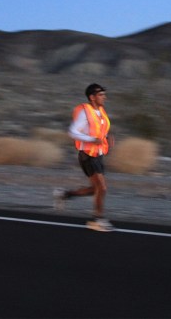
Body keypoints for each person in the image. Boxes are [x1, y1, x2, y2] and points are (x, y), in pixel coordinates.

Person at [54, 83, 114, 232]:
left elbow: (98, 130)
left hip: (98, 154)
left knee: (95, 189)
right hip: (87, 155)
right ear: (92, 97)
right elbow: (73, 132)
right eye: (101, 94)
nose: (104, 97)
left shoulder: (100, 111)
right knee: (102, 188)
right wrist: (92, 140)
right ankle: (97, 220)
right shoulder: (85, 112)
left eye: (104, 94)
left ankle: (64, 195)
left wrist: (106, 137)